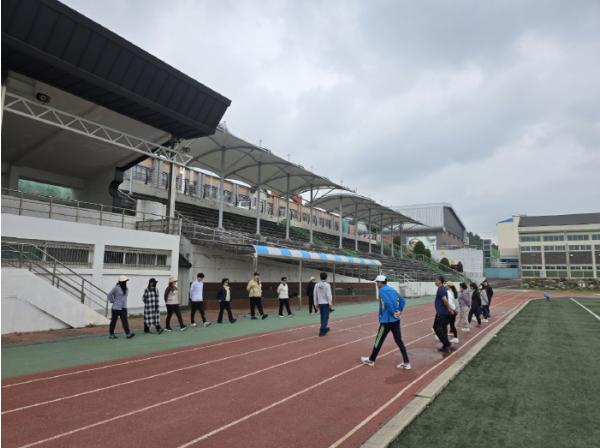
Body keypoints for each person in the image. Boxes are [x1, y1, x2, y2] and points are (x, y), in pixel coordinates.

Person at [360, 275, 411, 369]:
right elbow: (403, 300)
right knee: (399, 341)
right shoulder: (392, 289)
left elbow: (387, 303)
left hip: (386, 321)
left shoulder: (382, 290)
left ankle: (371, 360)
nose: (376, 284)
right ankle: (406, 362)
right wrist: (399, 311)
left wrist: (393, 312)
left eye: (377, 282)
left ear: (380, 282)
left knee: (378, 340)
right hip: (396, 321)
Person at [107, 275, 135, 339]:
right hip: (116, 308)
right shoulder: (116, 288)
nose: (126, 282)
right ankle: (111, 334)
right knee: (113, 321)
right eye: (125, 281)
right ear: (121, 282)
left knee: (125, 321)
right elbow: (109, 295)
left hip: (124, 307)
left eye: (126, 281)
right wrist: (113, 301)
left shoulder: (126, 288)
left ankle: (128, 334)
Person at [433, 275, 454, 354]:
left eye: (436, 280)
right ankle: (445, 346)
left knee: (437, 328)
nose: (435, 282)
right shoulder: (443, 289)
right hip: (443, 313)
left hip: (441, 313)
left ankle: (447, 344)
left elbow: (445, 300)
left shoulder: (441, 289)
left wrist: (449, 309)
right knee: (443, 329)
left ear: (440, 281)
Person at [314, 272, 333, 336]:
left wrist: (315, 303)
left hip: (320, 303)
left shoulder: (316, 285)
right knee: (326, 317)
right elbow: (329, 295)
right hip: (326, 303)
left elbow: (315, 294)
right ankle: (322, 330)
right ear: (326, 277)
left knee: (322, 316)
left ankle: (324, 327)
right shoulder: (327, 285)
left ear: (320, 277)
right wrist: (330, 303)